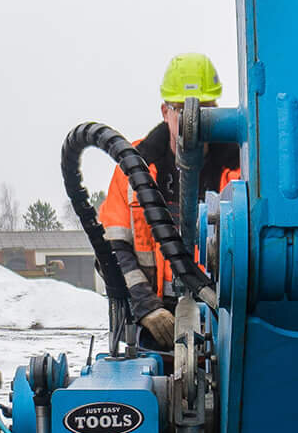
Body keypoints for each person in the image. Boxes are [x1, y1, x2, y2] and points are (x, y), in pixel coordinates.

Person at [98, 51, 241, 347]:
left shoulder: (241, 170)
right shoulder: (134, 165)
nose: (193, 119)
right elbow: (112, 249)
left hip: (224, 321)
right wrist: (146, 306)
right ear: (165, 112)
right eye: (181, 109)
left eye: (203, 108)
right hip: (151, 325)